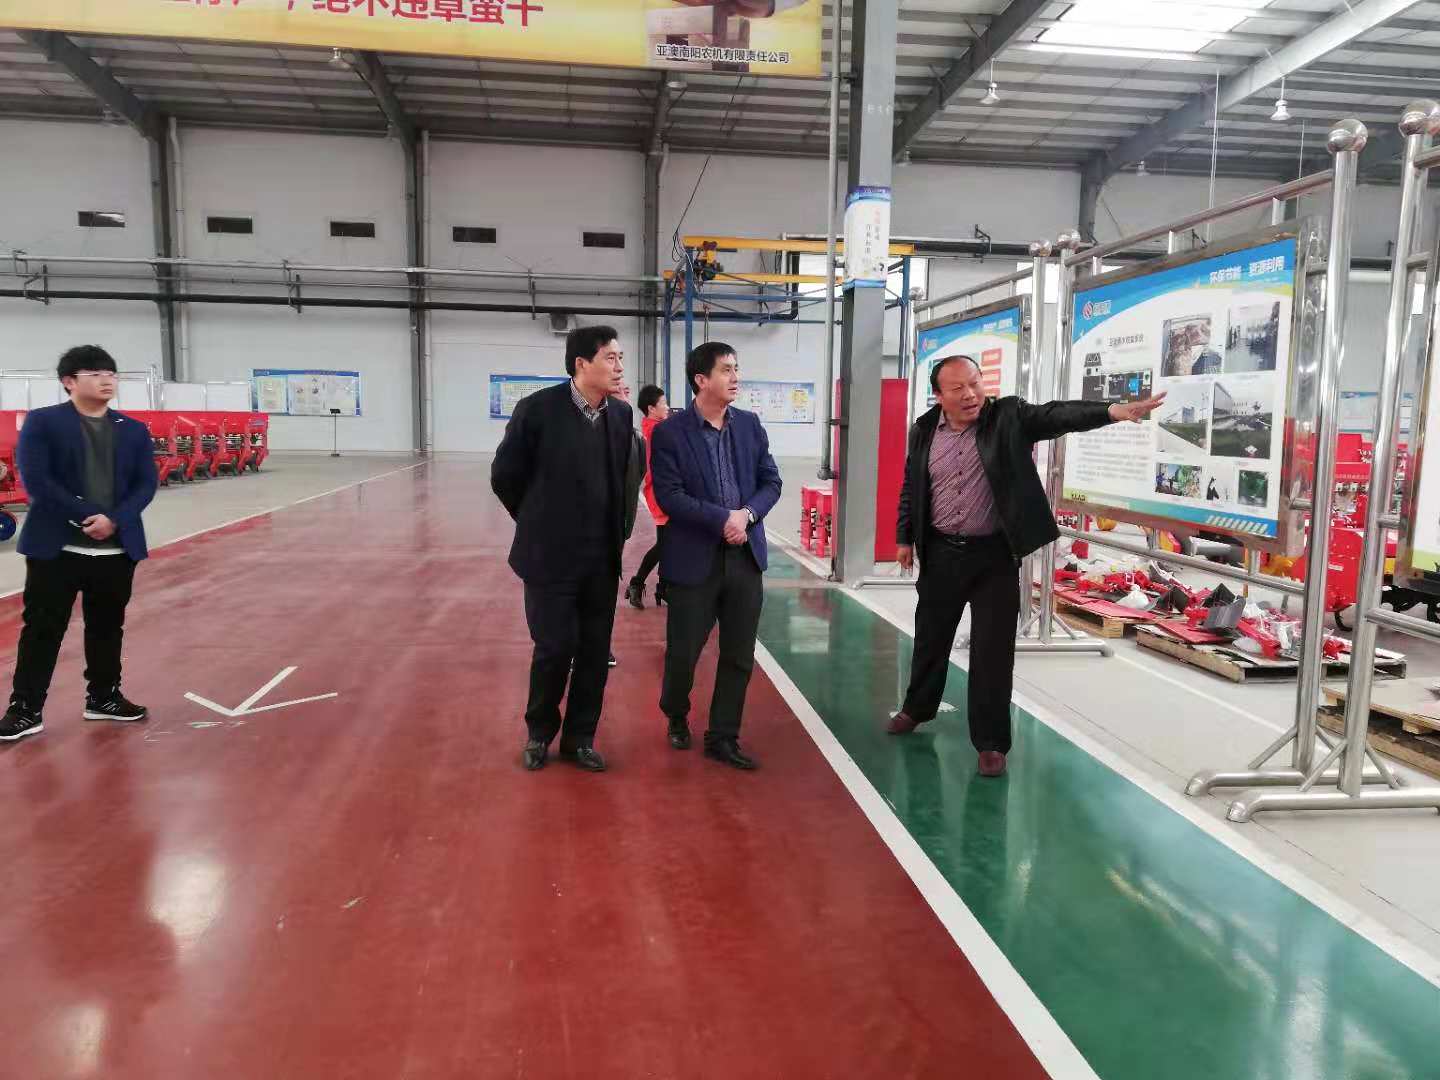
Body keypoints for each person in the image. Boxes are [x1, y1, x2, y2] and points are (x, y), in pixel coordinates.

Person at [887, 355, 1164, 776]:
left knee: (993, 651)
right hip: (941, 553)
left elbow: (1057, 415)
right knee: (930, 638)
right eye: (958, 388)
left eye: (975, 383)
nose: (971, 395)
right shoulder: (924, 430)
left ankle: (991, 742)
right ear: (938, 395)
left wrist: (1111, 411)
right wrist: (904, 536)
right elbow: (912, 485)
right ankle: (917, 708)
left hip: (994, 556)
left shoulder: (1008, 418)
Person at [492, 326, 640, 773]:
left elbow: (624, 478)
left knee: (595, 653)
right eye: (610, 358)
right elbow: (505, 476)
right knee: (554, 648)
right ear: (581, 364)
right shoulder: (537, 410)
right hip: (549, 558)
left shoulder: (620, 415)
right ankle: (540, 733)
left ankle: (580, 739)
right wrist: (536, 521)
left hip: (601, 559)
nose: (619, 366)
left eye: (620, 358)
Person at [0, 346, 159, 742]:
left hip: (116, 548)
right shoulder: (43, 422)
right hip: (58, 548)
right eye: (95, 373)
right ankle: (25, 709)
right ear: (69, 381)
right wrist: (89, 516)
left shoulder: (133, 429)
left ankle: (103, 697)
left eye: (111, 374)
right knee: (42, 628)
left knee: (107, 626)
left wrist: (114, 520)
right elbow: (38, 482)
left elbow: (146, 483)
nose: (107, 380)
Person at [650, 343, 781, 770]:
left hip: (745, 557)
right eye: (726, 370)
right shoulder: (671, 433)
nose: (735, 377)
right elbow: (669, 495)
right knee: (683, 652)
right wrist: (722, 519)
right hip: (694, 560)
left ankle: (723, 736)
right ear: (701, 379)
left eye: (736, 368)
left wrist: (746, 515)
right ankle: (675, 711)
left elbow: (771, 481)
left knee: (739, 654)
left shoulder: (750, 426)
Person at [625, 385, 672, 611]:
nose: (668, 407)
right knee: (666, 544)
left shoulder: (650, 427)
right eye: (664, 403)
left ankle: (663, 587)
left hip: (660, 492)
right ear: (652, 408)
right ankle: (637, 583)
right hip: (662, 494)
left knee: (669, 543)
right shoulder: (658, 430)